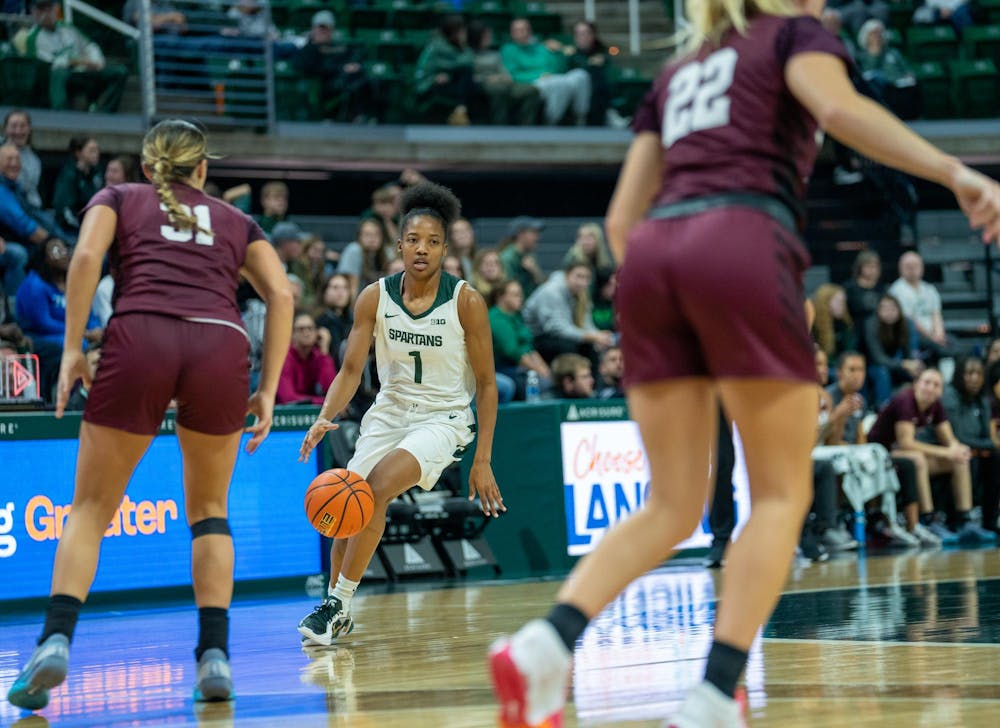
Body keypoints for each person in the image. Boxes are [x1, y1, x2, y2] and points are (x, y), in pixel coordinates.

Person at [488, 0, 1000, 724]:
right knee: (782, 496)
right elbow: (839, 108)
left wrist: (687, 308)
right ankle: (710, 698)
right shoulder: (797, 33)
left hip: (654, 259)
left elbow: (619, 221)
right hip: (741, 235)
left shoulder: (679, 68)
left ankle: (545, 644)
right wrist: (955, 172)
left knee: (672, 503)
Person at [5, 119, 294, 711]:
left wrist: (74, 353)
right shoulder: (237, 221)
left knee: (90, 508)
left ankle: (55, 640)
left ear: (145, 167)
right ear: (204, 170)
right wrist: (266, 390)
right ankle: (214, 655)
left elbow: (85, 256)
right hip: (221, 342)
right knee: (211, 511)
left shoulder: (118, 197)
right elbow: (283, 295)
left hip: (142, 335)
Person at [296, 182, 503, 646]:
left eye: (433, 241)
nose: (422, 249)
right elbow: (350, 370)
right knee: (347, 499)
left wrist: (483, 458)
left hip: (444, 418)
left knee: (372, 491)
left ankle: (336, 603)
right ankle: (338, 607)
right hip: (389, 413)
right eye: (414, 240)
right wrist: (324, 416)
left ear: (445, 249)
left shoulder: (465, 301)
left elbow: (488, 386)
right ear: (400, 245)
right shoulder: (374, 297)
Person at [867, 368, 997, 544]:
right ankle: (928, 520)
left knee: (959, 460)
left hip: (899, 454)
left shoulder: (935, 405)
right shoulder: (905, 400)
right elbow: (906, 443)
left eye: (936, 385)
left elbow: (948, 438)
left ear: (941, 391)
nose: (930, 388)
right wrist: (947, 451)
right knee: (917, 459)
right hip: (878, 455)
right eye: (927, 382)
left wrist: (958, 449)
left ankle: (964, 520)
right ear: (916, 384)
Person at [52, 136, 104, 235]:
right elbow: (64, 210)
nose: (96, 154)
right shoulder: (69, 176)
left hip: (93, 226)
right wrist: (82, 227)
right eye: (92, 150)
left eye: (97, 150)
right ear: (79, 153)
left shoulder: (96, 174)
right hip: (71, 229)